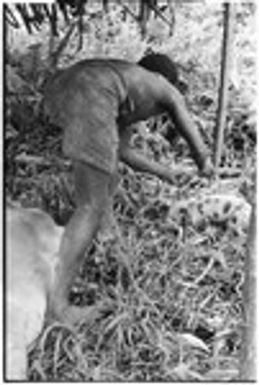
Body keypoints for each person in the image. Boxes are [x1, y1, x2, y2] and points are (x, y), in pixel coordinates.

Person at [43, 53, 214, 324]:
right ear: (163, 78)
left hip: (62, 86)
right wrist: (204, 162)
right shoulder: (162, 85)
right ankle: (57, 308)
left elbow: (123, 151)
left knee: (105, 173)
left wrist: (167, 173)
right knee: (90, 206)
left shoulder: (127, 86)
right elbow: (184, 119)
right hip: (93, 90)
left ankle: (106, 241)